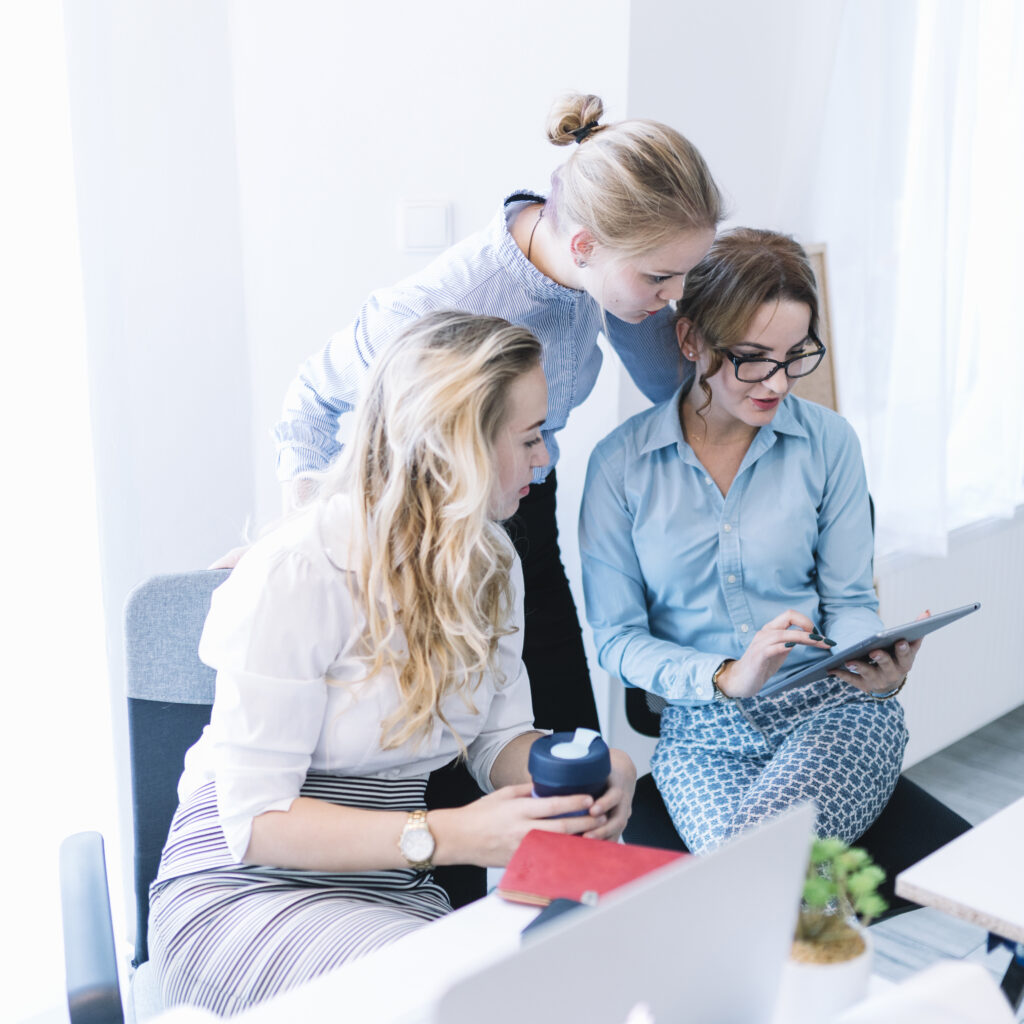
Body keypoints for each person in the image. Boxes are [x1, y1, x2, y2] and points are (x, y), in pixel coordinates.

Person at [151, 312, 636, 1016]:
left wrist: (591, 769)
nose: (545, 459)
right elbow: (256, 824)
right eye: (531, 436)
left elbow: (496, 739)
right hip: (243, 887)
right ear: (459, 448)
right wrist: (454, 835)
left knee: (550, 984)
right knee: (469, 1001)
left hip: (391, 882)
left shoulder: (492, 561)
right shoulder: (299, 572)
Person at [267, 92, 721, 740]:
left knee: (572, 747)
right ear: (585, 245)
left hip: (528, 510)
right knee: (452, 751)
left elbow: (668, 384)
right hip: (432, 535)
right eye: (659, 278)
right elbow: (309, 400)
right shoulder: (449, 301)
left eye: (684, 276)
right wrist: (309, 544)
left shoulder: (604, 271)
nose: (673, 295)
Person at [579, 229, 923, 855]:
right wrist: (726, 675)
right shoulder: (619, 467)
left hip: (835, 710)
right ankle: (827, 915)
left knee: (750, 868)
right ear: (691, 340)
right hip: (703, 735)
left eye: (795, 356)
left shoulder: (830, 443)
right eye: (754, 358)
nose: (779, 383)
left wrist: (872, 661)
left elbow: (848, 600)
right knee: (754, 872)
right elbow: (617, 638)